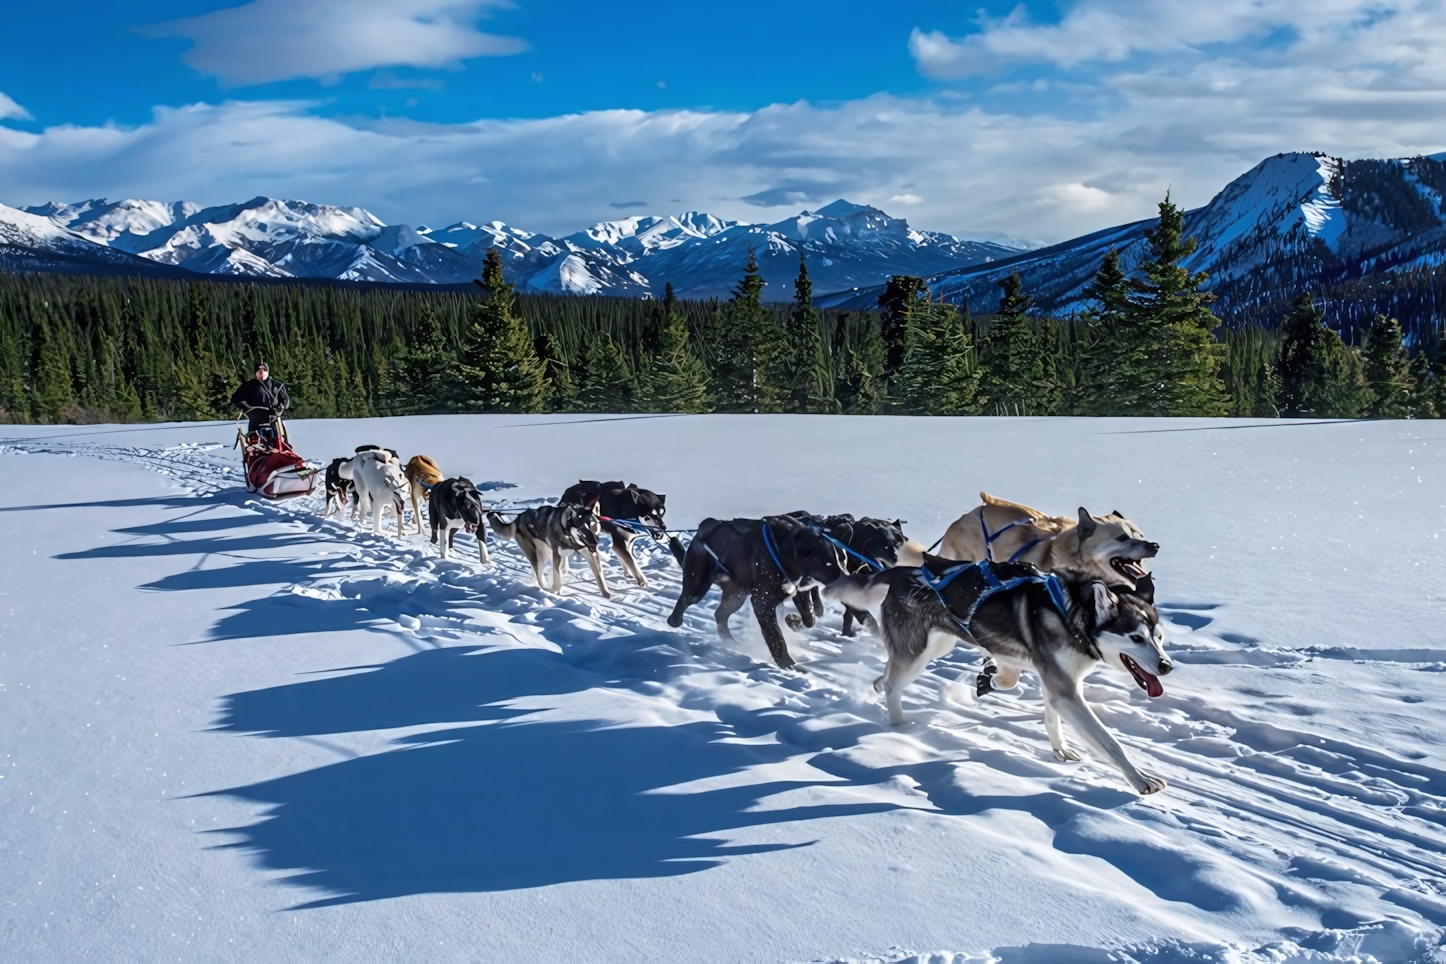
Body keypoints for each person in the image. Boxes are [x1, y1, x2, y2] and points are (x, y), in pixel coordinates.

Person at [231, 362, 291, 439]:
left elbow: (286, 401)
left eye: (264, 370)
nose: (262, 372)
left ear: (268, 372)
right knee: (254, 445)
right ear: (256, 373)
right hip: (255, 420)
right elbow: (235, 399)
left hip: (274, 420)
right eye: (259, 370)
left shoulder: (278, 385)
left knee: (281, 445)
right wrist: (246, 408)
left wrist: (281, 408)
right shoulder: (248, 386)